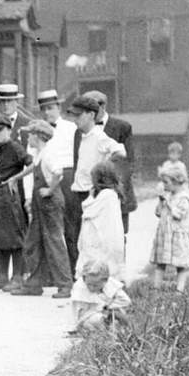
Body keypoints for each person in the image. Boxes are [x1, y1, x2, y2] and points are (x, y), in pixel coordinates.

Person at [64, 96, 126, 273]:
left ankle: (90, 277)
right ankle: (77, 277)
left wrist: (103, 167)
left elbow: (120, 151)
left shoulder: (99, 136)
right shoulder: (82, 136)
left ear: (91, 115)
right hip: (77, 190)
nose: (75, 119)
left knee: (89, 239)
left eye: (79, 115)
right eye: (73, 116)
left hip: (89, 194)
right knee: (73, 236)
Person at [15, 119, 73, 298]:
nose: (28, 138)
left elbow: (58, 173)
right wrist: (15, 178)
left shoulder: (49, 154)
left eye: (30, 134)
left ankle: (65, 285)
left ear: (38, 136)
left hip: (50, 203)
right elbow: (33, 167)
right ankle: (34, 283)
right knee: (33, 242)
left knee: (54, 243)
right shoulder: (40, 153)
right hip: (40, 204)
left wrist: (50, 189)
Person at [0, 117, 29, 290]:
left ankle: (18, 276)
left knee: (14, 234)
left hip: (9, 195)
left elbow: (31, 164)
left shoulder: (16, 147)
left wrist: (15, 178)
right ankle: (0, 275)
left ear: (9, 130)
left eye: (0, 130)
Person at [83, 90, 135, 235]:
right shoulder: (82, 129)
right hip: (90, 192)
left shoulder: (122, 127)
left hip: (116, 190)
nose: (87, 114)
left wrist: (111, 187)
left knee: (118, 236)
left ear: (103, 106)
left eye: (91, 110)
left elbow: (127, 162)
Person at [151, 159, 189, 291]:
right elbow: (158, 213)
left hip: (177, 234)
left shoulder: (183, 198)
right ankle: (156, 287)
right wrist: (160, 202)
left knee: (181, 264)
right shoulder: (168, 196)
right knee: (160, 262)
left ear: (176, 182)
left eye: (166, 182)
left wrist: (168, 203)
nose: (164, 185)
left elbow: (178, 214)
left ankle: (179, 289)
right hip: (165, 234)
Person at [78, 162, 125, 279]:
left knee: (97, 265)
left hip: (101, 236)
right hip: (103, 234)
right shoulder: (111, 194)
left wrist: (90, 196)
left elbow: (89, 210)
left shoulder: (107, 195)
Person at [68, 258, 131, 334]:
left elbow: (125, 301)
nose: (91, 288)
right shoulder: (80, 288)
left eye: (95, 285)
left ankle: (117, 328)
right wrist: (74, 327)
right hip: (89, 315)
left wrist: (109, 306)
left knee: (120, 315)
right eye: (89, 284)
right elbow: (76, 311)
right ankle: (103, 329)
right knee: (95, 320)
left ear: (105, 281)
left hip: (108, 311)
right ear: (84, 279)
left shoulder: (110, 284)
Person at [0, 82, 31, 158]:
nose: (6, 105)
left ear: (17, 102)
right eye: (3, 101)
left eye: (9, 101)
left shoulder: (27, 124)